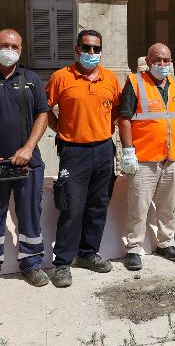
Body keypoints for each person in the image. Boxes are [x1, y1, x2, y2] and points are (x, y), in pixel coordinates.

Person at [47, 29, 121, 287]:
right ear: (77, 49)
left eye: (96, 49)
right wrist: (62, 130)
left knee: (98, 204)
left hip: (103, 149)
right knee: (71, 206)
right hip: (73, 152)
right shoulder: (61, 77)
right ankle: (62, 263)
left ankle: (89, 253)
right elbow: (44, 108)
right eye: (87, 48)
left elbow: (116, 112)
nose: (92, 53)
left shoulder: (110, 78)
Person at [118, 43, 175, 271]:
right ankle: (133, 247)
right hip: (143, 158)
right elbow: (124, 118)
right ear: (148, 61)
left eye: (166, 60)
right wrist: (127, 150)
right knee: (138, 208)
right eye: (157, 60)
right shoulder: (135, 82)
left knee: (167, 206)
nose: (162, 64)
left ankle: (165, 242)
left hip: (169, 158)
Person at [0, 29, 48, 286]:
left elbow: (43, 115)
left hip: (26, 163)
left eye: (14, 46)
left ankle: (32, 264)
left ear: (21, 50)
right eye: (4, 45)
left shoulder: (31, 79)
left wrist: (28, 148)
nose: (9, 50)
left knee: (29, 213)